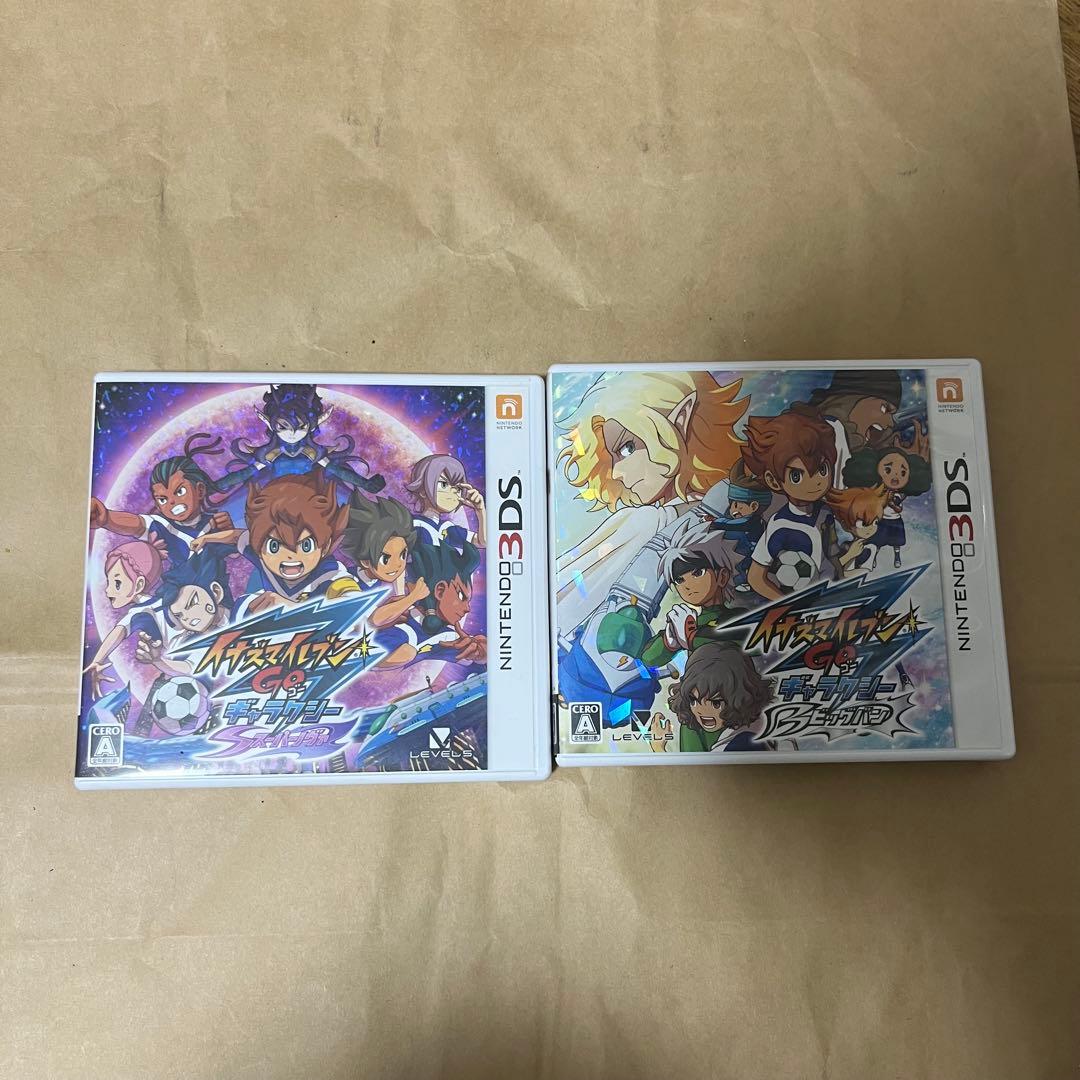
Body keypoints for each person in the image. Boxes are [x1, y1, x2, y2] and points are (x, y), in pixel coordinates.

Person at [554, 369, 748, 632]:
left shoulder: (654, 520)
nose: (616, 473)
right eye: (614, 457)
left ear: (681, 419)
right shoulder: (665, 516)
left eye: (627, 448)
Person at [740, 412, 837, 601]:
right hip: (804, 605)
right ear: (773, 481)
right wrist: (787, 604)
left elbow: (832, 553)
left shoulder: (825, 511)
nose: (815, 481)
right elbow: (755, 577)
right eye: (796, 476)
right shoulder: (780, 526)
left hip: (831, 595)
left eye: (822, 469)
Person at [650, 641, 773, 753]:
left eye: (715, 703)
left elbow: (699, 771)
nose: (701, 711)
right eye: (693, 700)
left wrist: (658, 748)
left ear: (740, 698)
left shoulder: (744, 739)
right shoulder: (692, 726)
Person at [82, 539, 165, 697]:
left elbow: (118, 632)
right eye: (109, 582)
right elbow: (117, 632)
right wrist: (97, 660)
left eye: (117, 583)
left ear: (139, 585)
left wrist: (97, 660)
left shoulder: (144, 611)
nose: (108, 591)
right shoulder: (142, 611)